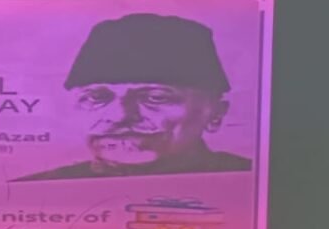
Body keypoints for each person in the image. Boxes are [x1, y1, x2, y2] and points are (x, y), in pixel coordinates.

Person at [16, 13, 250, 180]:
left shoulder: (250, 182)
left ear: (215, 115)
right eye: (96, 97)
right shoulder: (36, 191)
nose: (119, 116)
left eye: (155, 97)